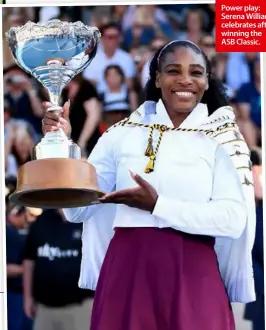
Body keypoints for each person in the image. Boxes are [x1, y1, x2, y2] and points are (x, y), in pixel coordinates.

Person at [42, 40, 256, 330]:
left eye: (195, 72)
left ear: (206, 81)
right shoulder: (120, 134)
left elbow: (233, 220)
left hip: (194, 273)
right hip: (129, 272)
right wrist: (62, 145)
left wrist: (158, 205)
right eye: (173, 70)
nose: (185, 80)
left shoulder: (223, 139)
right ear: (157, 78)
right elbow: (78, 210)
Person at [23, 209, 94, 330]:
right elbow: (29, 262)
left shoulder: (87, 219)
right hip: (44, 308)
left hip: (79, 307)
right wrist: (27, 298)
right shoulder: (40, 222)